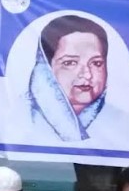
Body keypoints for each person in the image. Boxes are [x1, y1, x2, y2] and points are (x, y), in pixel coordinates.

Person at [22, 14, 109, 142]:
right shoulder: (18, 119)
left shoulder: (124, 124)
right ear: (46, 68)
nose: (87, 74)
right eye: (70, 63)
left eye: (96, 63)